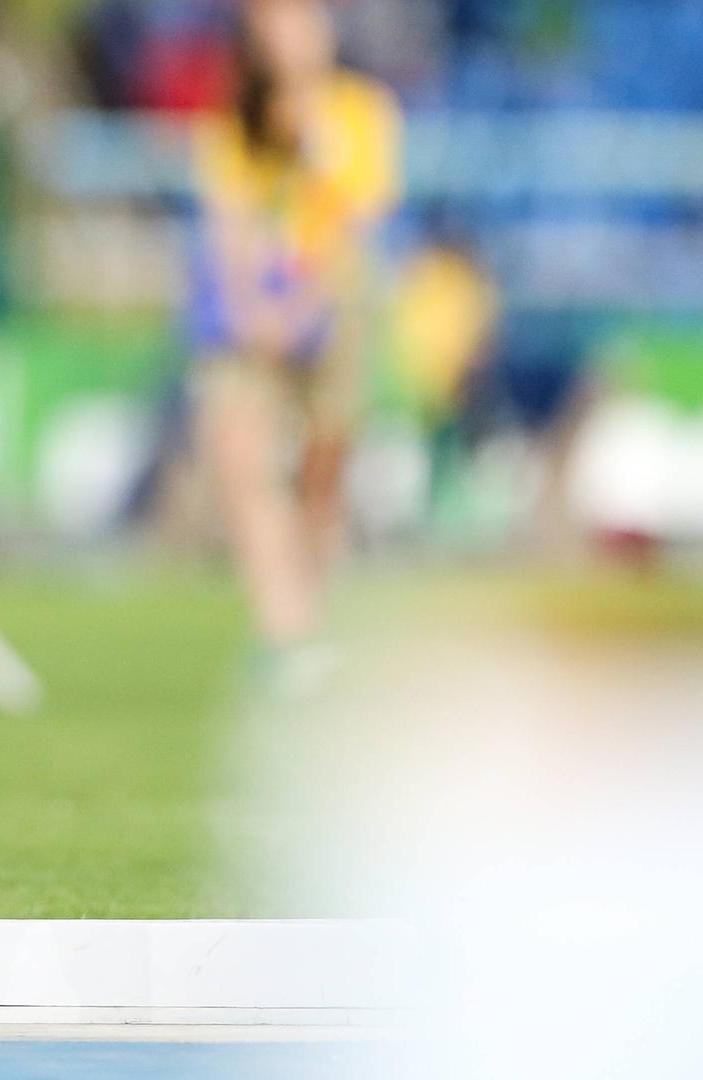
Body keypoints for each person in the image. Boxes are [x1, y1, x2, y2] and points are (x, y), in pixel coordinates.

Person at [185, 0, 399, 685]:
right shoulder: (234, 118)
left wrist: (306, 306)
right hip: (253, 310)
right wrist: (254, 309)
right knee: (242, 457)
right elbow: (230, 221)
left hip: (334, 305)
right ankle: (285, 629)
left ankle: (310, 612)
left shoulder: (360, 113)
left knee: (323, 469)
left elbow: (356, 226)